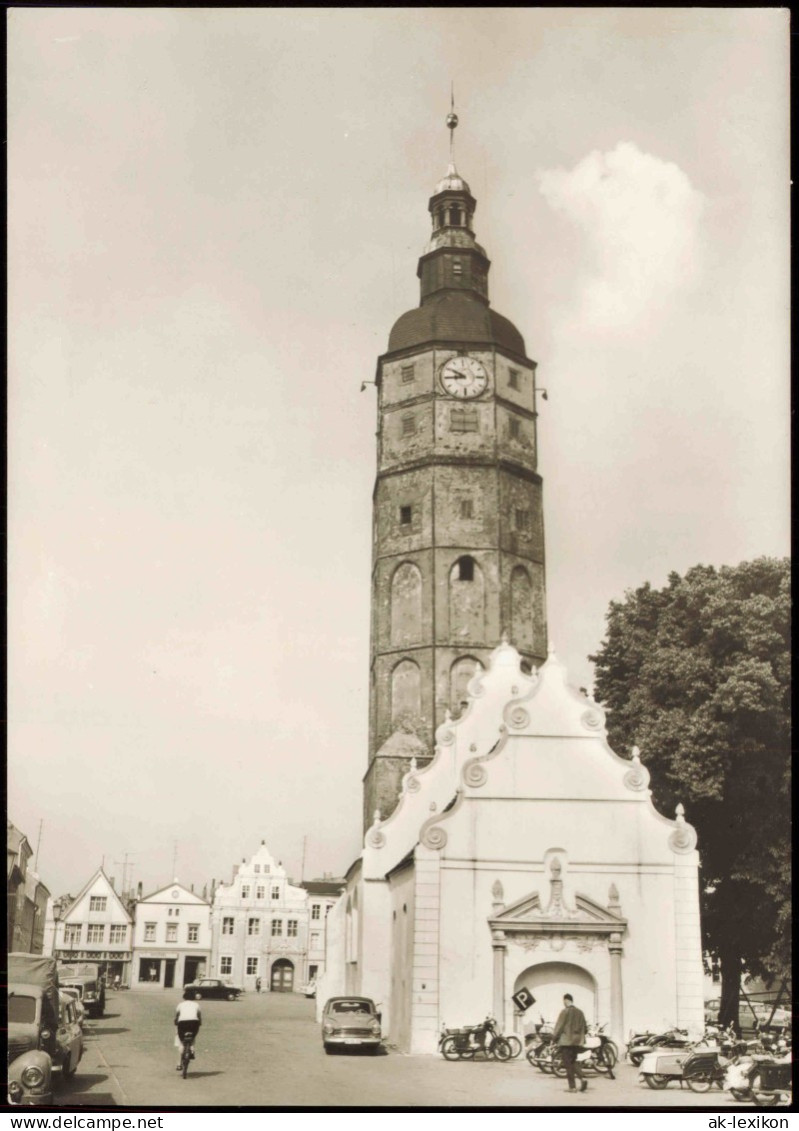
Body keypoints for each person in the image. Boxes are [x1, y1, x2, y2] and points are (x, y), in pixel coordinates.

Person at [552, 993, 588, 1093]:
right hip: (577, 1042)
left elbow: (559, 1027)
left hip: (566, 1042)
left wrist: (554, 1038)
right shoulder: (580, 1012)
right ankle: (582, 1078)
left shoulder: (565, 1012)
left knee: (568, 1064)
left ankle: (572, 1087)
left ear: (566, 1000)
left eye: (563, 1001)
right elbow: (585, 1028)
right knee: (573, 1061)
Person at [175, 996, 202, 1071]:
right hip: (194, 1023)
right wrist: (199, 1023)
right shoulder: (196, 1004)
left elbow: (177, 1015)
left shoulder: (180, 1004)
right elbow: (199, 1015)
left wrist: (176, 1022)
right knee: (193, 1036)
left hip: (182, 1023)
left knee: (181, 1042)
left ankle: (179, 1064)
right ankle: (192, 1049)